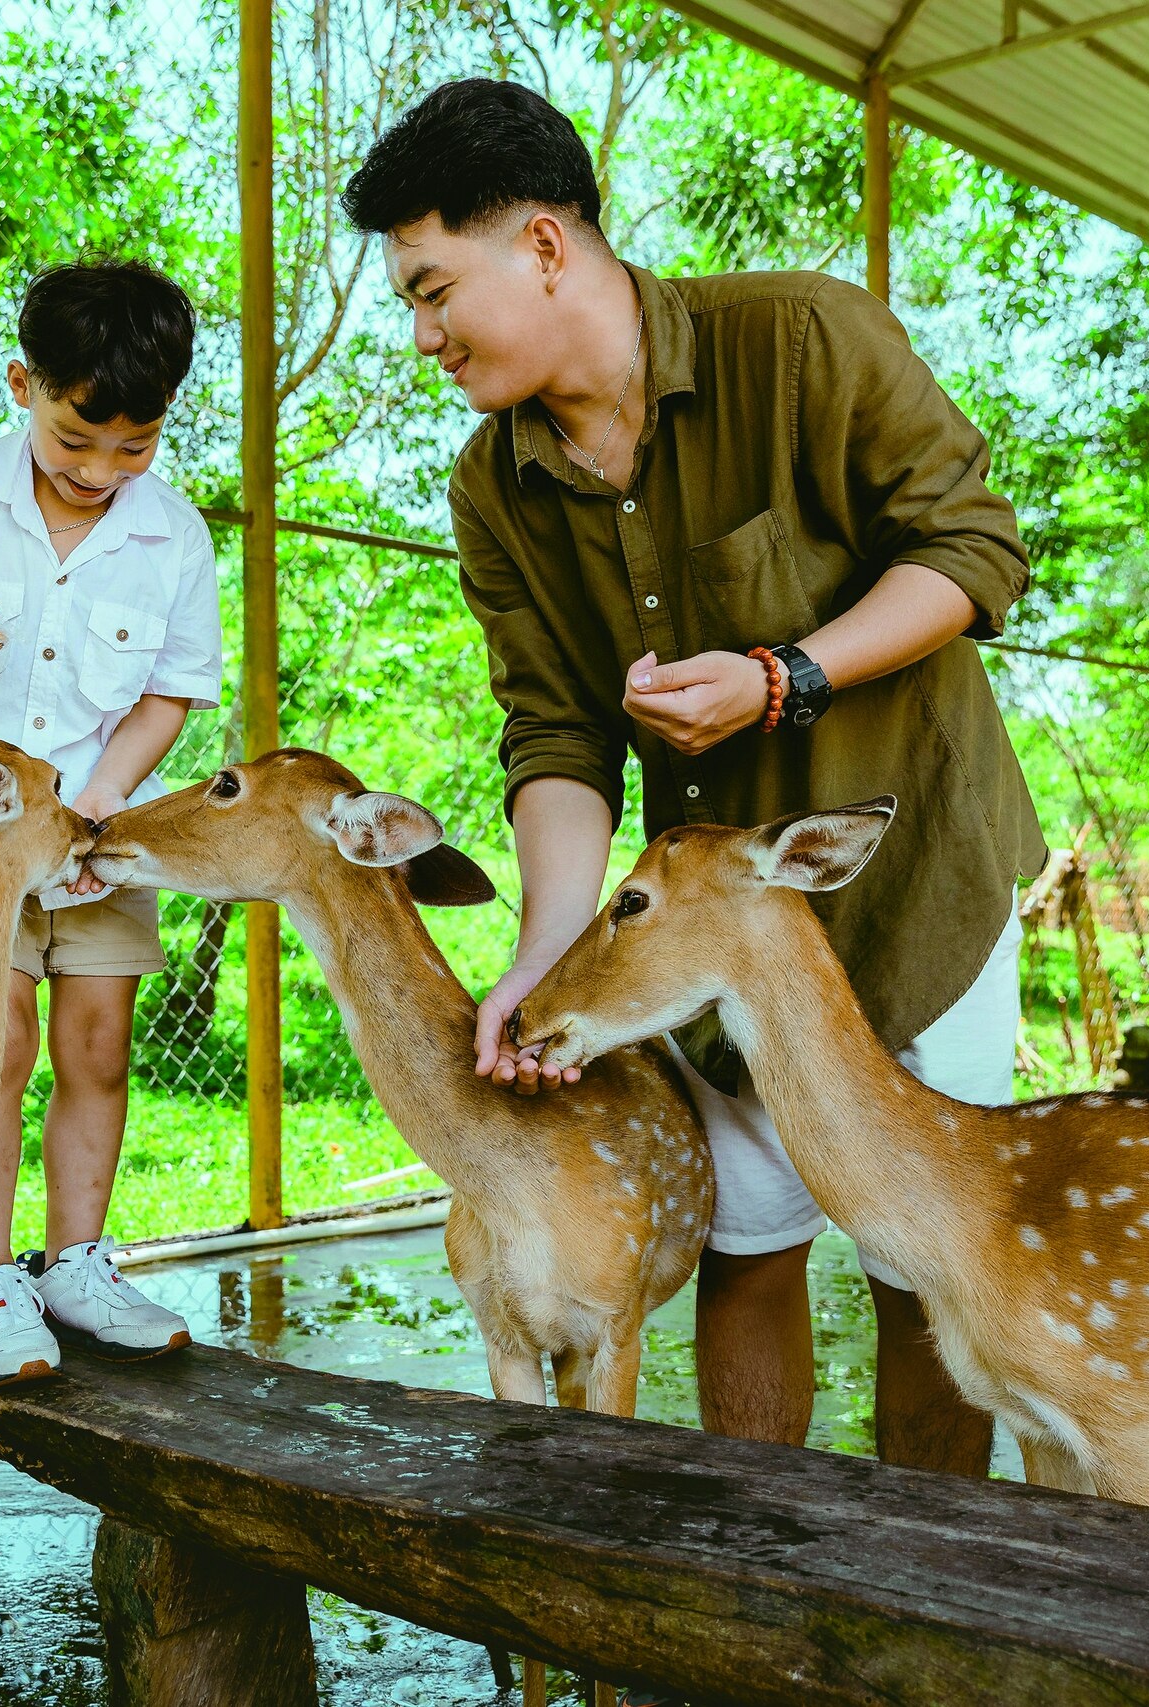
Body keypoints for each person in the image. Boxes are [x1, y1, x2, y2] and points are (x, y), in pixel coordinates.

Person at [344, 81, 1046, 1472]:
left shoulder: (802, 336)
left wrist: (784, 676)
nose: (423, 336)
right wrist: (545, 956)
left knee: (934, 1268)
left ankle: (924, 1610)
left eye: (434, 291)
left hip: (923, 885)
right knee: (751, 1244)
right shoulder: (492, 489)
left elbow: (975, 554)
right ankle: (758, 1588)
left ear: (544, 246)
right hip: (707, 933)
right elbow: (554, 735)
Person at [0, 260, 221, 1386]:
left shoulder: (173, 537)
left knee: (94, 1048)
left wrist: (109, 794)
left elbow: (170, 689)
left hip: (100, 831)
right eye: (77, 441)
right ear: (25, 386)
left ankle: (78, 1265)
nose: (100, 472)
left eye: (134, 446)